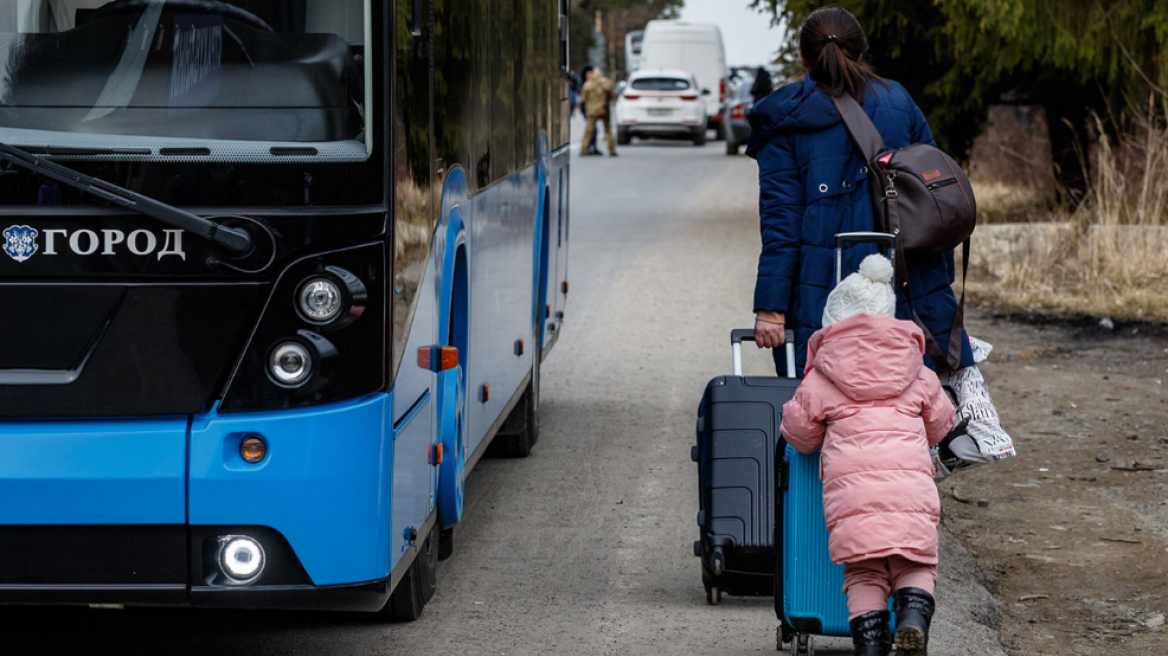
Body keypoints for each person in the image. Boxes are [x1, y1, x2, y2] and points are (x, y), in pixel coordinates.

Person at [746, 6, 974, 378]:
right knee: (910, 393)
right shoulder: (899, 100)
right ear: (862, 52)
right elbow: (935, 198)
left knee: (828, 394)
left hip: (822, 292)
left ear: (803, 57)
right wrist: (937, 281)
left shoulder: (784, 119)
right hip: (908, 278)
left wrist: (771, 308)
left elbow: (781, 222)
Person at [781, 254, 953, 656]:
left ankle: (871, 646)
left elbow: (800, 435)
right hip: (910, 492)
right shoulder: (917, 371)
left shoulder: (822, 377)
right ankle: (912, 618)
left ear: (833, 323)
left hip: (853, 498)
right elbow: (941, 424)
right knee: (916, 562)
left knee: (863, 572)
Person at [580, 66, 617, 157]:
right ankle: (611, 150)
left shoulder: (588, 84)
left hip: (592, 110)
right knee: (608, 130)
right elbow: (612, 95)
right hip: (604, 109)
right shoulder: (606, 82)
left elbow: (584, 98)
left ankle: (583, 149)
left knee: (588, 131)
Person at [578, 66, 600, 154]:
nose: (590, 76)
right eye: (588, 74)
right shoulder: (585, 85)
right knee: (592, 129)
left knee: (593, 129)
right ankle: (587, 147)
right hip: (587, 109)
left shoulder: (595, 84)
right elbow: (583, 99)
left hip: (593, 109)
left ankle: (591, 147)